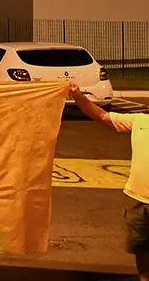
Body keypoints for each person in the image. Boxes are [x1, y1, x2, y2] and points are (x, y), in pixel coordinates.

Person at [68, 83, 149, 280]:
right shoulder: (139, 120)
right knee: (141, 248)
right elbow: (102, 116)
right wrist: (77, 95)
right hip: (140, 200)